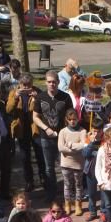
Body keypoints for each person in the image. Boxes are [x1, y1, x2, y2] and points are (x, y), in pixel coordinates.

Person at [32, 70, 73, 202]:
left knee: (65, 166)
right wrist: (46, 128)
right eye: (49, 82)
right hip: (45, 137)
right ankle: (51, 194)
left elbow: (70, 116)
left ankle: (68, 193)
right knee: (49, 168)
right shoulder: (40, 97)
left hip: (62, 137)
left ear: (58, 82)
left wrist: (67, 132)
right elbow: (35, 117)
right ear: (45, 82)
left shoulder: (65, 97)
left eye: (54, 82)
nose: (52, 84)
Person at [7, 73, 44, 192]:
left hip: (35, 129)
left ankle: (43, 179)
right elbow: (8, 110)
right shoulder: (14, 92)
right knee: (25, 157)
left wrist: (37, 98)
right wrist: (16, 97)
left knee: (40, 155)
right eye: (24, 85)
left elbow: (45, 109)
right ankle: (29, 181)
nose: (27, 87)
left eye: (29, 85)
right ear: (20, 84)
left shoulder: (38, 92)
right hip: (22, 129)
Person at [57, 108, 89, 216]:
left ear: (78, 119)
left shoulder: (82, 131)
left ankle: (78, 204)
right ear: (66, 119)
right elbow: (61, 148)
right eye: (70, 119)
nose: (72, 121)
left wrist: (70, 145)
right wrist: (75, 148)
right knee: (67, 185)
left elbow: (83, 145)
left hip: (78, 164)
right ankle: (68, 204)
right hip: (66, 163)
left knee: (78, 185)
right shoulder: (62, 131)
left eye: (74, 119)